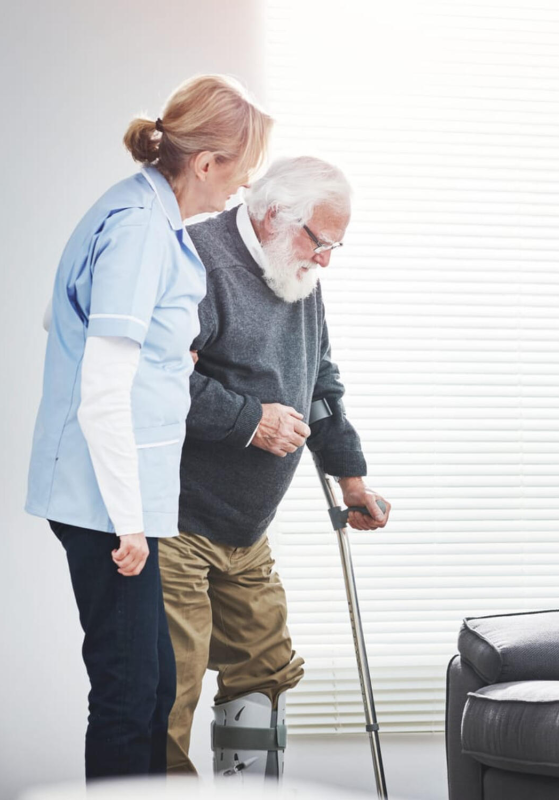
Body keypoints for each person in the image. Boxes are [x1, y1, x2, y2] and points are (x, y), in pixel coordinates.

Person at [25, 75, 272, 780]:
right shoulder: (140, 228)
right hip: (107, 500)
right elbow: (102, 389)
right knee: (131, 699)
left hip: (118, 494)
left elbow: (64, 319)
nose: (241, 187)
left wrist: (166, 351)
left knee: (155, 688)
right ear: (205, 163)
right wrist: (128, 521)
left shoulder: (141, 210)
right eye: (242, 169)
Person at [159, 156, 392, 779]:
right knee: (169, 692)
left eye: (337, 246)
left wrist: (352, 480)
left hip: (246, 529)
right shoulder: (195, 260)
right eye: (320, 242)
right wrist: (249, 421)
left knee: (264, 668)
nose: (326, 261)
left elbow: (320, 385)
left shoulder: (294, 276)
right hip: (172, 523)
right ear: (270, 215)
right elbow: (159, 377)